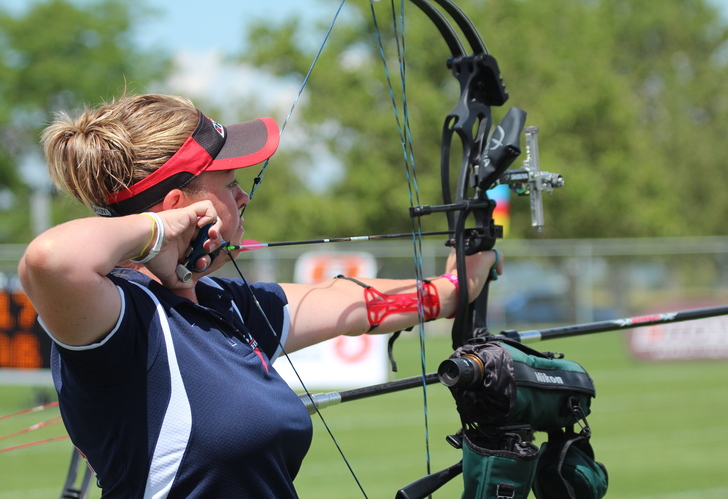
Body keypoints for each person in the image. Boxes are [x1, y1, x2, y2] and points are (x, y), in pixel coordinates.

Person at [18, 93, 502, 498]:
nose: (243, 196)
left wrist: (456, 285)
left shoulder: (225, 305)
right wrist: (163, 230)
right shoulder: (123, 319)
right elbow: (51, 260)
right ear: (181, 207)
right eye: (229, 185)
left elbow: (358, 305)